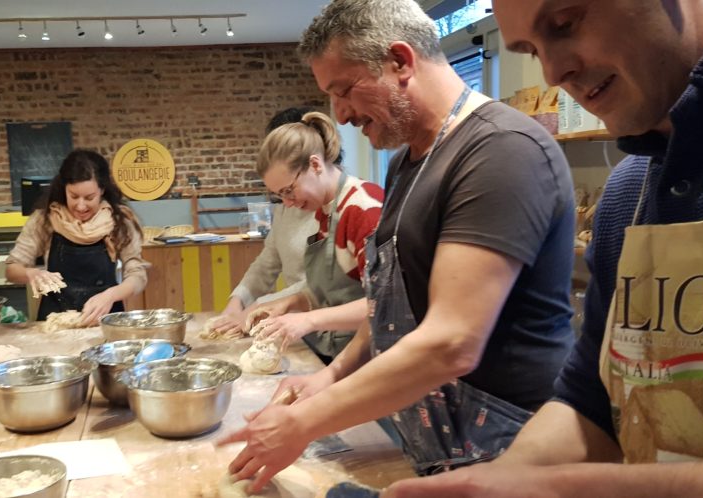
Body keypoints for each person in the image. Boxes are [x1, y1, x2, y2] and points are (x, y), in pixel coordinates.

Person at [378, 2, 703, 496]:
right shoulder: (627, 192)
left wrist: (565, 488)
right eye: (531, 51)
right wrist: (497, 481)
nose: (553, 73)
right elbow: (591, 401)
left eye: (565, 23)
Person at [221, 0, 576, 492]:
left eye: (343, 90)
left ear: (400, 61)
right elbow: (389, 308)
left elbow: (452, 343)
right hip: (439, 441)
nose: (340, 115)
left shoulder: (501, 151)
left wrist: (304, 422)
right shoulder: (408, 164)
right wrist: (331, 376)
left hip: (509, 450)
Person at [246, 111, 384, 361]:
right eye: (280, 196)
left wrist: (308, 320)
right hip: (339, 350)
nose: (288, 203)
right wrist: (292, 302)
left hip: (370, 357)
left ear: (315, 165)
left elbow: (383, 304)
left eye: (289, 190)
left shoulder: (362, 209)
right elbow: (335, 291)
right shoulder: (326, 211)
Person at [210, 107, 321, 338]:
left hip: (327, 327)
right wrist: (237, 302)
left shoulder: (337, 207)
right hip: (299, 328)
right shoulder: (286, 206)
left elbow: (322, 283)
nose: (286, 200)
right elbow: (267, 262)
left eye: (288, 189)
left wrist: (259, 306)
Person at [5, 148, 149, 324]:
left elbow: (137, 276)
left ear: (102, 190)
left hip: (104, 320)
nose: (81, 206)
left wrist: (111, 295)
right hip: (56, 322)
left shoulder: (119, 221)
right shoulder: (46, 219)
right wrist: (30, 273)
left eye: (89, 198)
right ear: (64, 189)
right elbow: (12, 269)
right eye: (73, 196)